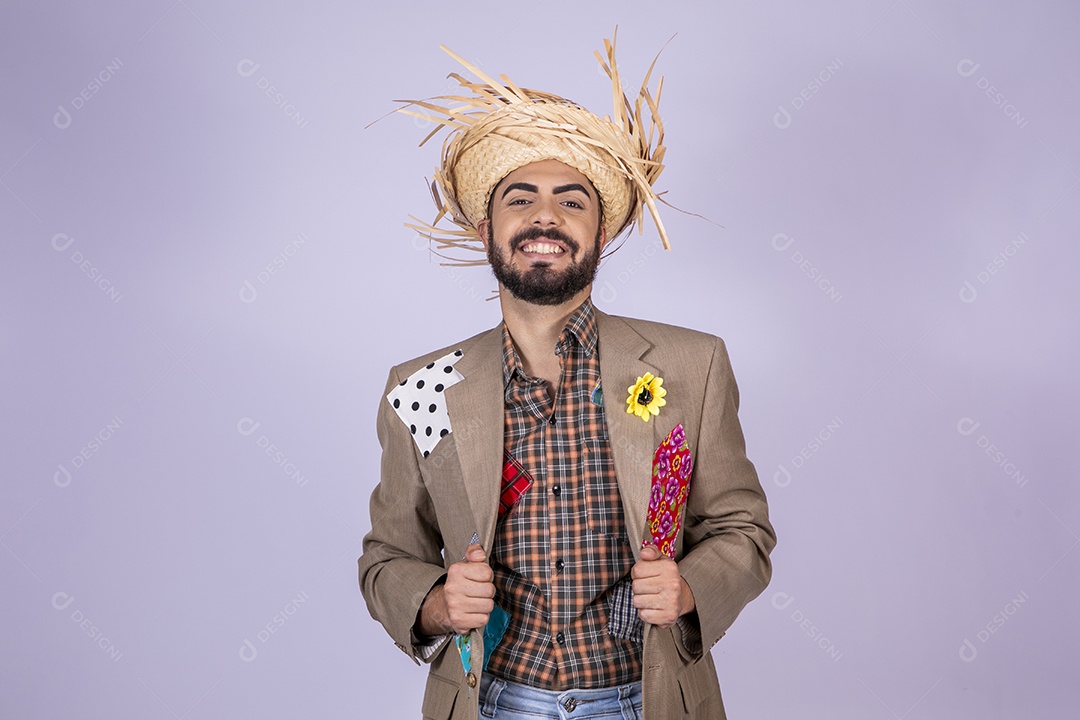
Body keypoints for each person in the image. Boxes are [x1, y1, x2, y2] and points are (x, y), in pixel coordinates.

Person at [358, 33, 775, 720]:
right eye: (520, 200)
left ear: (600, 232)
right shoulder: (421, 387)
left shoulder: (691, 365)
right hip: (491, 702)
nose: (544, 216)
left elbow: (742, 528)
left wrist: (691, 587)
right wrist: (434, 603)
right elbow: (387, 557)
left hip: (648, 701)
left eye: (571, 201)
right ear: (487, 228)